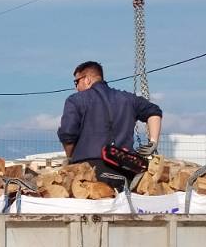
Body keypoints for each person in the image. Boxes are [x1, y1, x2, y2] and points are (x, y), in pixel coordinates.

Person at [57, 61, 163, 189]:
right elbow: (154, 112)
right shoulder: (128, 99)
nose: (76, 87)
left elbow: (68, 133)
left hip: (88, 171)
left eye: (76, 82)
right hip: (126, 170)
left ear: (87, 80)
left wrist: (70, 157)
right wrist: (153, 142)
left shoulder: (75, 100)